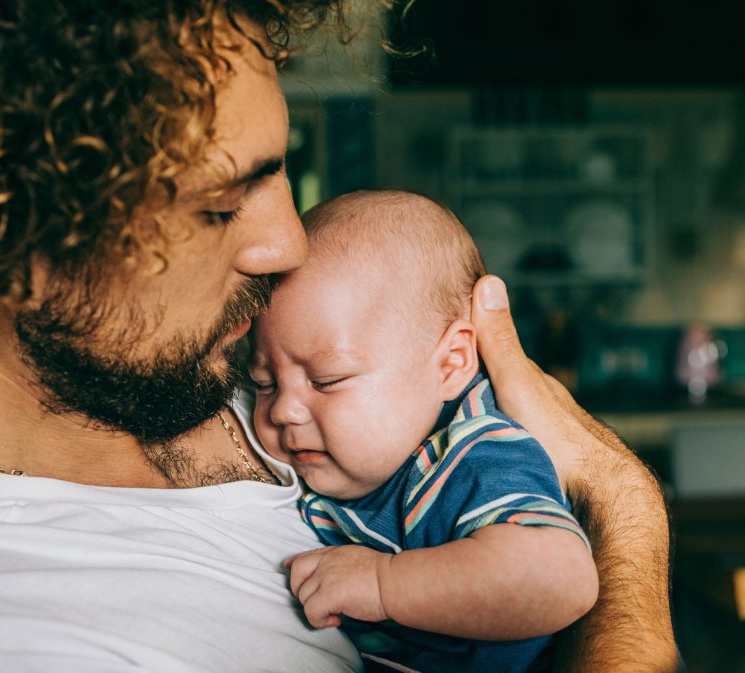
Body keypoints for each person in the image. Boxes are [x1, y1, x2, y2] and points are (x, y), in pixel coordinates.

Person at [0, 1, 678, 671]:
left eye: (281, 174)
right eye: (222, 204)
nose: (288, 242)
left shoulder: (202, 367)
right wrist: (620, 504)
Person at [248, 190, 599, 672]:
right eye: (264, 382)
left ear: (451, 362)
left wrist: (383, 584)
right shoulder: (346, 461)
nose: (284, 409)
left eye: (326, 380)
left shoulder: (469, 454)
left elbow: (561, 578)